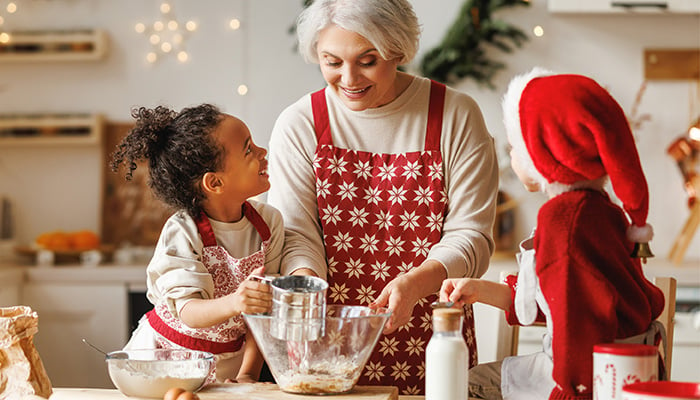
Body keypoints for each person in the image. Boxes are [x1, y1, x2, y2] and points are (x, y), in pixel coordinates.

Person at [267, 0, 499, 394]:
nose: (349, 77)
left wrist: (414, 283)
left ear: (396, 50)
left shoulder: (455, 114)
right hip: (324, 340)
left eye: (367, 60)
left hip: (433, 333)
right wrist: (306, 289)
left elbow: (471, 236)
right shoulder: (300, 123)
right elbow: (295, 233)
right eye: (332, 61)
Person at [440, 68, 666, 400]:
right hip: (620, 370)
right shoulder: (600, 211)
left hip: (587, 377)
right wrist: (479, 289)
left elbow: (579, 322)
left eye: (516, 146)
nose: (513, 156)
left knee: (467, 383)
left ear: (544, 153)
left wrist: (569, 390)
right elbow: (559, 299)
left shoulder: (563, 220)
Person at [110, 104, 282, 384]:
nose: (263, 153)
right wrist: (237, 301)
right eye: (248, 150)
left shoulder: (268, 224)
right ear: (214, 183)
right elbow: (189, 312)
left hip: (226, 366)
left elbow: (262, 313)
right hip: (161, 363)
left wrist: (248, 374)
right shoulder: (183, 232)